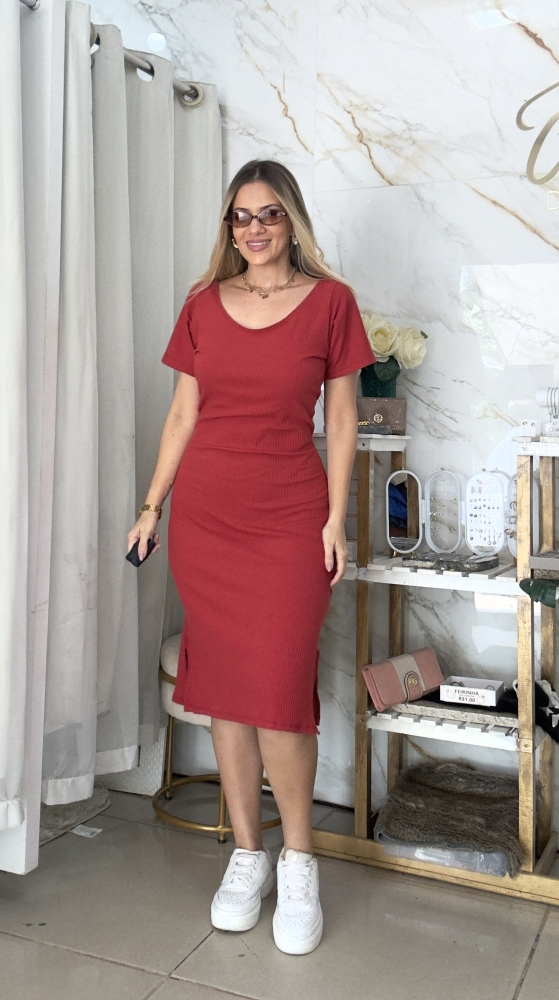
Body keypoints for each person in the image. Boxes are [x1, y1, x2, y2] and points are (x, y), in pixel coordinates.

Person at [127, 159, 374, 955]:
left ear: (291, 220)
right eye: (242, 215)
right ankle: (247, 854)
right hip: (208, 518)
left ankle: (299, 862)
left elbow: (342, 421)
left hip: (290, 518)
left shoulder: (331, 303)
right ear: (228, 227)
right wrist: (151, 506)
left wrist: (335, 519)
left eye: (269, 213)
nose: (255, 228)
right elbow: (182, 415)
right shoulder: (203, 304)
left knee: (277, 693)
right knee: (228, 695)